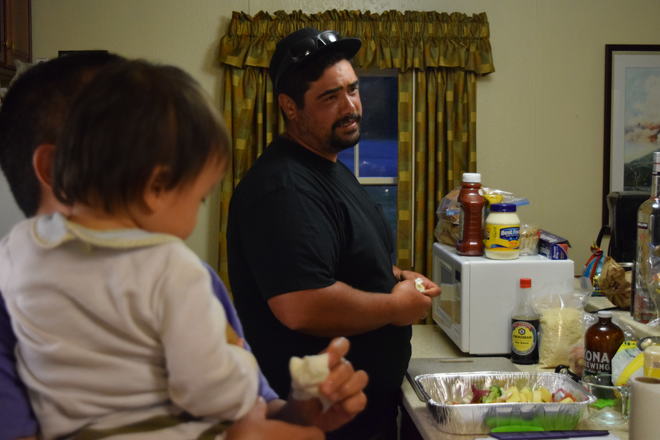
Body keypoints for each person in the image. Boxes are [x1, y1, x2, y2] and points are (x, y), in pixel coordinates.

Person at [0, 55, 366, 439]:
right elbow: (224, 399)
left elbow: (256, 409)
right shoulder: (170, 271)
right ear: (56, 168)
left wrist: (300, 412)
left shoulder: (194, 277)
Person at [226, 28, 441, 440]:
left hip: (359, 414)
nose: (350, 107)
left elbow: (341, 256)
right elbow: (302, 305)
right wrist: (395, 307)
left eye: (353, 90)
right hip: (316, 422)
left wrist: (396, 277)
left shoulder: (329, 167)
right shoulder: (283, 187)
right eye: (330, 97)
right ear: (290, 106)